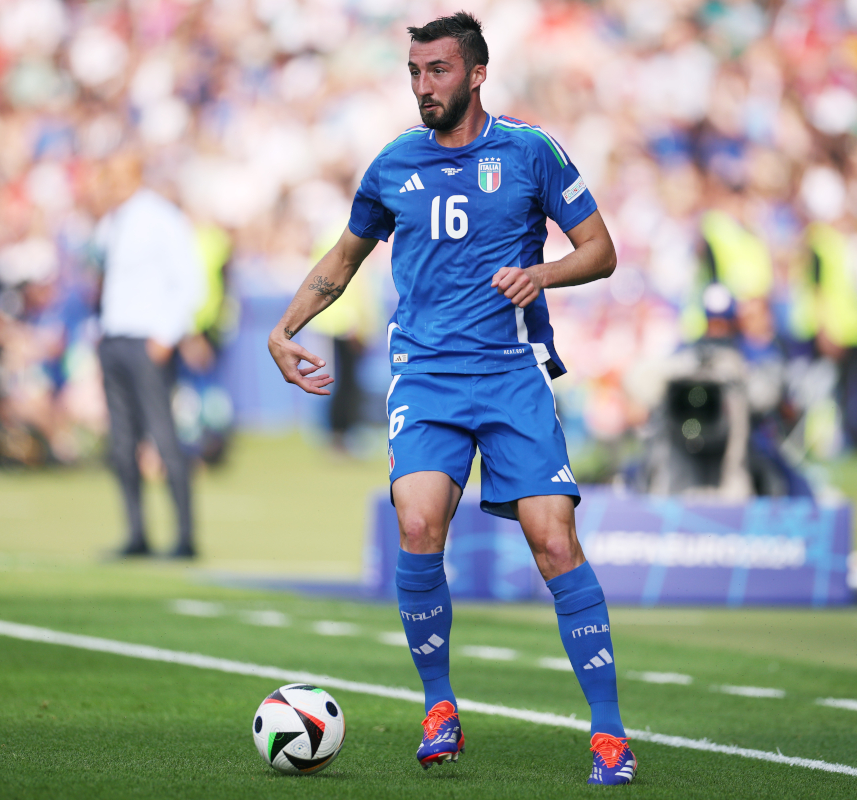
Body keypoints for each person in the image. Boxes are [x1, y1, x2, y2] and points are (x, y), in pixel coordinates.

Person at [267, 12, 634, 786]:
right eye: (413, 71)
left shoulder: (530, 151)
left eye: (437, 70)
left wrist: (544, 275)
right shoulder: (394, 164)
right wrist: (286, 328)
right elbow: (342, 259)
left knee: (555, 542)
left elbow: (599, 249)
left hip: (509, 373)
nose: (422, 86)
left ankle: (608, 733)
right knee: (418, 521)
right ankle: (439, 705)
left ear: (475, 73)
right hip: (426, 379)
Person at [92, 154, 206, 559]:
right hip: (115, 336)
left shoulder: (160, 218)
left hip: (147, 338)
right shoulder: (111, 222)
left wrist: (167, 333)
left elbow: (190, 280)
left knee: (163, 436)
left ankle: (186, 537)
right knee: (121, 443)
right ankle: (136, 533)